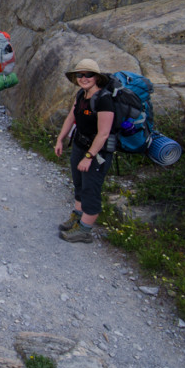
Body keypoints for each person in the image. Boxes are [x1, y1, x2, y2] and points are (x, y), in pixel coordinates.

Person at [53, 58, 115, 243]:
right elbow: (71, 117)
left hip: (97, 153)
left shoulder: (104, 100)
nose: (84, 78)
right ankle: (77, 217)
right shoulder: (82, 95)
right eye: (80, 75)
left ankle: (84, 230)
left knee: (91, 188)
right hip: (79, 146)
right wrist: (60, 139)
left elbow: (103, 134)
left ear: (97, 77)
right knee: (79, 183)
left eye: (88, 75)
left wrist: (89, 157)